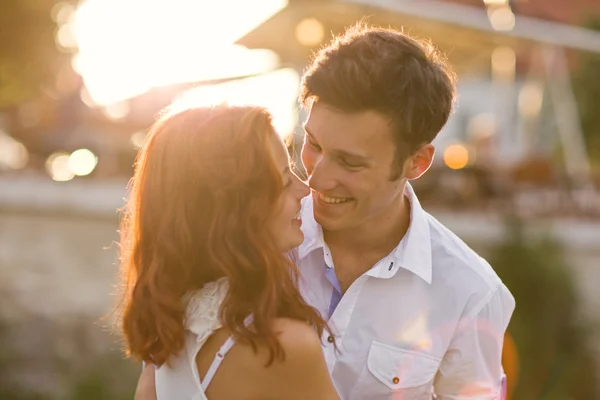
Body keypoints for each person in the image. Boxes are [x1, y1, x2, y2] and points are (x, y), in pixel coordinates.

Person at [136, 23, 516, 399]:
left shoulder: (471, 293)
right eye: (313, 144)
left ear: (416, 163)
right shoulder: (250, 233)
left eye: (350, 163)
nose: (316, 179)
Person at [117, 104, 340, 400]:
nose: (304, 190)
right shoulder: (285, 348)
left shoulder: (168, 336)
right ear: (236, 210)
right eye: (285, 180)